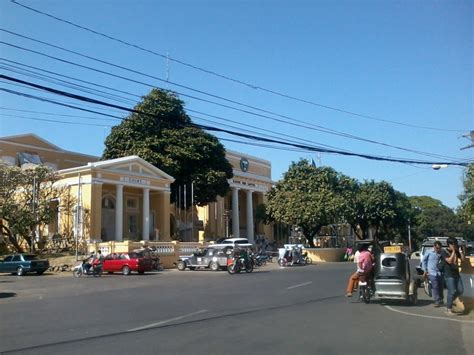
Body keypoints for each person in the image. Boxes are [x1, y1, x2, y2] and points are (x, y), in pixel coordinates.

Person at [442, 238, 465, 315]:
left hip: (456, 273)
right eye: (454, 244)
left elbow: (463, 259)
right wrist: (454, 251)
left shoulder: (457, 250)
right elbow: (449, 260)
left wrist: (461, 251)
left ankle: (450, 300)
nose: (455, 245)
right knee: (451, 291)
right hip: (449, 274)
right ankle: (449, 309)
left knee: (460, 290)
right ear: (450, 244)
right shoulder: (444, 251)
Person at [421, 241, 444, 307]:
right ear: (434, 247)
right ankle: (437, 301)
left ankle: (441, 299)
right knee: (435, 286)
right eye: (437, 248)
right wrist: (425, 270)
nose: (438, 249)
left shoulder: (442, 252)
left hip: (440, 273)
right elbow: (424, 261)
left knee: (440, 287)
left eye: (439, 248)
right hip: (431, 272)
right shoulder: (429, 252)